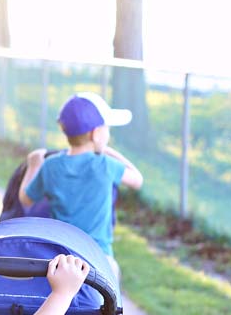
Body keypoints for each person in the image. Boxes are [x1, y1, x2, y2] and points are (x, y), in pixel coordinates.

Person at [18, 91, 143, 278]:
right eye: (106, 128)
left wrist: (34, 164)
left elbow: (25, 199)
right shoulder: (105, 165)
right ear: (96, 133)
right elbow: (137, 180)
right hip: (99, 258)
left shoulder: (50, 166)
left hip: (61, 260)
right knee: (111, 296)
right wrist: (107, 151)